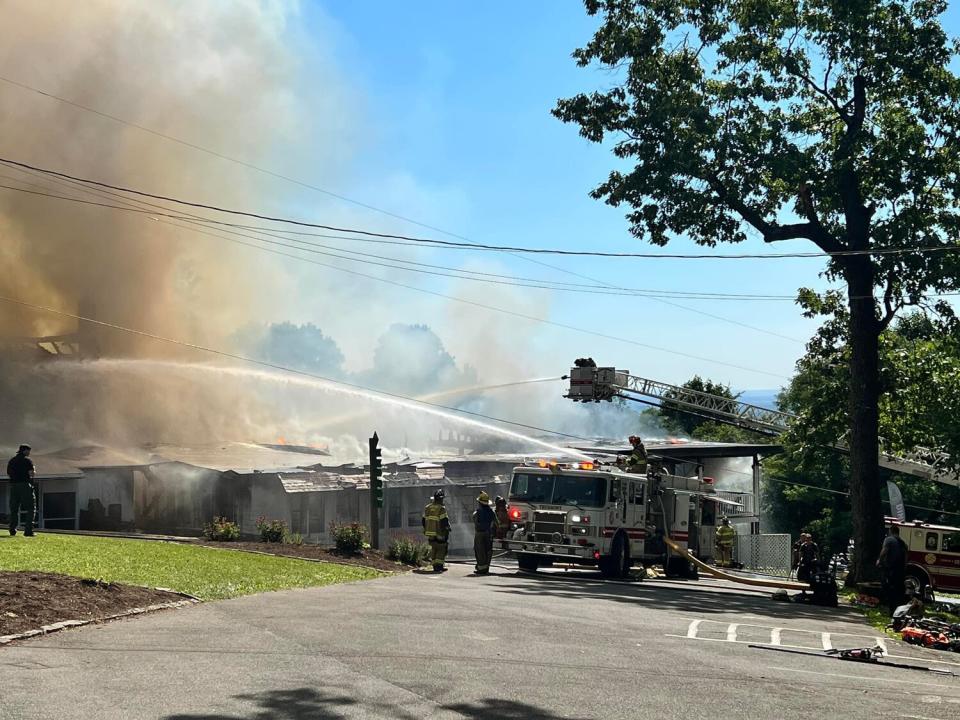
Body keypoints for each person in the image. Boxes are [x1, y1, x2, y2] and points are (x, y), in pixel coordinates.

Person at [877, 525, 909, 615]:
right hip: (900, 571)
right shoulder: (903, 543)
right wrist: (904, 569)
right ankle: (897, 610)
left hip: (890, 568)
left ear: (890, 531)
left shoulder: (889, 540)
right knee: (898, 591)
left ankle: (888, 608)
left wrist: (879, 560)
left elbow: (885, 550)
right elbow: (906, 558)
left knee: (887, 588)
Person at [7, 444, 36, 537]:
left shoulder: (12, 461)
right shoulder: (27, 461)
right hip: (24, 485)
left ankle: (12, 530)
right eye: (28, 451)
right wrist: (34, 471)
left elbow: (9, 473)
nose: (29, 453)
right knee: (31, 508)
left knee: (14, 509)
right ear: (24, 451)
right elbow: (31, 473)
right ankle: (28, 531)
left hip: (13, 486)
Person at [422, 489, 450, 573]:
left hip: (430, 533)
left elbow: (423, 520)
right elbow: (444, 521)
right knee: (441, 548)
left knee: (433, 548)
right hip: (439, 532)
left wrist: (427, 529)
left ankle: (434, 565)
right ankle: (439, 566)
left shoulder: (427, 507)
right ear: (441, 499)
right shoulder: (441, 508)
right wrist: (446, 530)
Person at [472, 491, 499, 575]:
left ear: (480, 502)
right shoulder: (492, 512)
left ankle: (481, 568)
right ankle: (486, 567)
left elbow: (475, 521)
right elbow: (497, 523)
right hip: (488, 533)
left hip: (479, 534)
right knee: (488, 550)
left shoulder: (476, 513)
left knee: (479, 551)